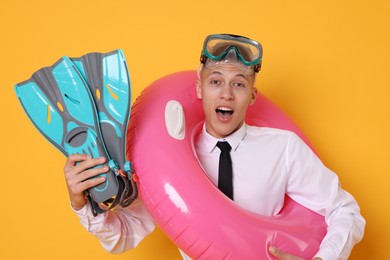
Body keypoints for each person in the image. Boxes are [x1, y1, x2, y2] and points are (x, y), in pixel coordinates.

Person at [64, 34, 365, 259]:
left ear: (253, 95)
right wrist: (83, 205)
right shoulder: (168, 165)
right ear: (198, 88)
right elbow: (122, 237)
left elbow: (345, 210)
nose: (226, 95)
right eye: (216, 82)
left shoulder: (283, 148)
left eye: (239, 84)